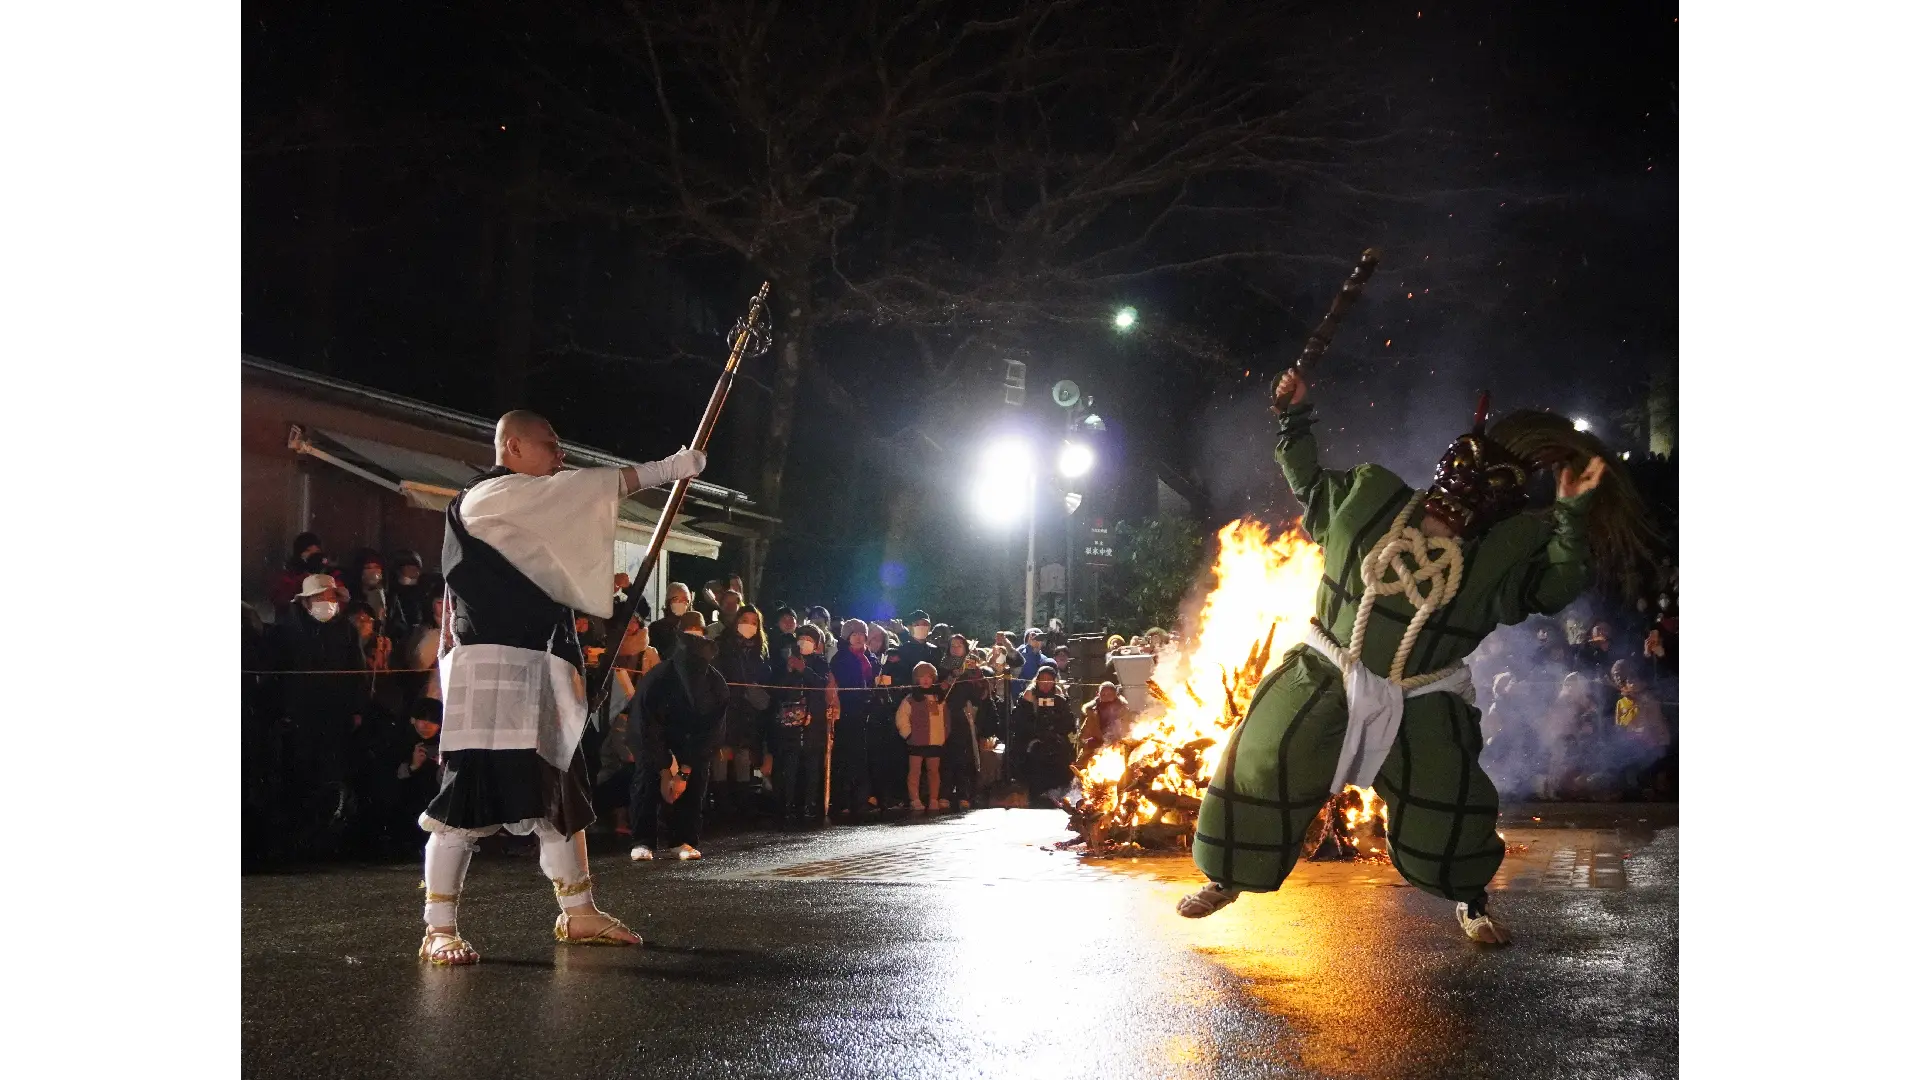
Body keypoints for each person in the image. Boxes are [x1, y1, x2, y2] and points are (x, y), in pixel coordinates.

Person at [1179, 371, 1653, 946]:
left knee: (1449, 799)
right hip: (1329, 667)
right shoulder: (1371, 500)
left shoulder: (1494, 560)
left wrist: (1573, 514)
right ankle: (1228, 876)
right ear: (1446, 469)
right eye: (1461, 479)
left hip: (1422, 691)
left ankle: (1470, 900)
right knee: (1265, 755)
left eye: (1482, 495)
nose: (1458, 504)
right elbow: (1309, 483)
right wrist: (1294, 417)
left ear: (1499, 508)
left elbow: (1554, 584)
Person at [415, 409, 705, 965]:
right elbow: (582, 491)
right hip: (493, 671)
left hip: (538, 665)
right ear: (515, 447)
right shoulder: (488, 497)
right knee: (468, 795)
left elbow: (564, 523)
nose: (560, 456)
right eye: (551, 445)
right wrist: (664, 470)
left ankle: (579, 912)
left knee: (558, 794)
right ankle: (439, 925)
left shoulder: (524, 505)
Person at [269, 573, 366, 858]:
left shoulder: (346, 631)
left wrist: (358, 708)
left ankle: (330, 839)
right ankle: (300, 840)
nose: (327, 603)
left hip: (336, 716)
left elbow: (357, 673)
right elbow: (277, 675)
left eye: (330, 597)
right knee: (301, 774)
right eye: (320, 598)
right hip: (300, 717)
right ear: (306, 601)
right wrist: (282, 711)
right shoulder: (286, 631)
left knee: (333, 773)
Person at [629, 613, 731, 861]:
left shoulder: (716, 686)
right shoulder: (658, 680)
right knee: (647, 781)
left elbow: (711, 733)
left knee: (695, 784)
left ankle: (683, 839)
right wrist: (665, 768)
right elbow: (646, 727)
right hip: (656, 737)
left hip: (693, 742)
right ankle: (643, 840)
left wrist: (684, 771)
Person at [771, 624, 837, 826]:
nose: (805, 641)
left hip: (813, 722)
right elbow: (778, 689)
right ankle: (787, 805)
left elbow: (820, 685)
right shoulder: (785, 661)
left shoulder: (821, 663)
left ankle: (810, 805)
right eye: (802, 637)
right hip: (790, 722)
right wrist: (790, 671)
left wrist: (804, 670)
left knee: (812, 766)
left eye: (810, 638)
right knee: (789, 766)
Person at [713, 603, 772, 818]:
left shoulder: (760, 650)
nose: (749, 626)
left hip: (749, 711)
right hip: (727, 708)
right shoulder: (723, 646)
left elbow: (765, 677)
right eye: (745, 621)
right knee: (720, 754)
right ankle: (721, 803)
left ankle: (743, 804)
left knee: (743, 755)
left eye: (754, 622)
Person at [829, 619, 876, 819]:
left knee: (861, 758)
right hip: (847, 712)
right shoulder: (840, 659)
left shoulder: (871, 658)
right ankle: (843, 800)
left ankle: (861, 799)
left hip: (864, 713)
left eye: (861, 634)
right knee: (845, 757)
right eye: (854, 634)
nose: (858, 637)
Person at [1011, 666, 1076, 807]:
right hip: (1032, 738)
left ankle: (1057, 791)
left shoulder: (1059, 697)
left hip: (1055, 739)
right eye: (1043, 680)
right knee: (1036, 753)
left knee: (1063, 752)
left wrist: (1064, 737)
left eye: (1049, 680)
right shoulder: (1029, 696)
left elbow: (1068, 723)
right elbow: (1020, 721)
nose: (1046, 683)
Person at [895, 662, 947, 811]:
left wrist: (942, 736)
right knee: (915, 771)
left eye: (929, 676)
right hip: (916, 742)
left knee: (934, 771)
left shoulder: (939, 699)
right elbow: (901, 718)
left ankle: (933, 799)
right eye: (921, 676)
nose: (925, 680)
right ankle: (915, 799)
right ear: (916, 679)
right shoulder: (910, 699)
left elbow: (946, 720)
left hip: (935, 742)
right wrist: (908, 734)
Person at [271, 532, 331, 611]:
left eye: (316, 552)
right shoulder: (288, 576)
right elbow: (281, 600)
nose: (312, 555)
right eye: (308, 550)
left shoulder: (329, 574)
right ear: (299, 553)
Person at [649, 582, 694, 663]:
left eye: (685, 600)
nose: (681, 603)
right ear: (668, 602)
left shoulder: (693, 628)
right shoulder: (656, 628)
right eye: (676, 599)